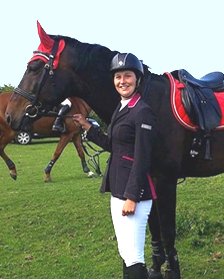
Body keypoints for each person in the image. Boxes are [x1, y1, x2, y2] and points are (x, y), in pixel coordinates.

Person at [73, 53, 157, 279]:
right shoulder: (121, 108)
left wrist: (132, 196)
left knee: (133, 255)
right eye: (118, 76)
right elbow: (115, 145)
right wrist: (88, 127)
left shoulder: (143, 111)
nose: (122, 81)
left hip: (133, 193)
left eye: (127, 76)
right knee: (124, 251)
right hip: (117, 188)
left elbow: (142, 158)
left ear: (136, 79)